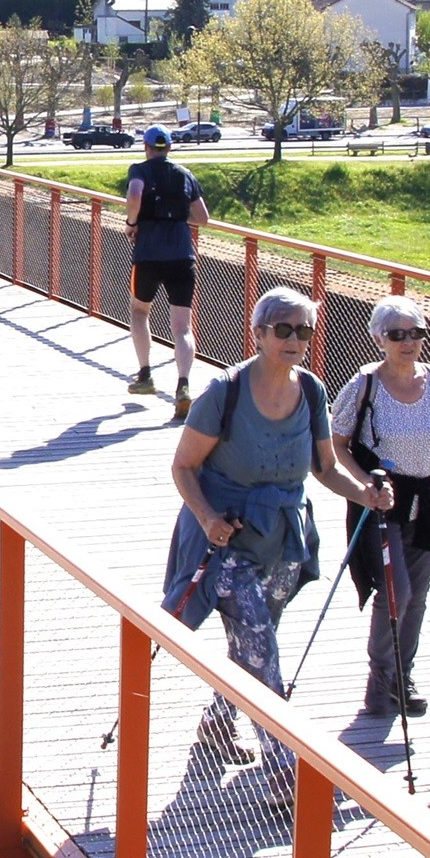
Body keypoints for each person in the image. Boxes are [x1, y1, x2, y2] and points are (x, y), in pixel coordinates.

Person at [170, 287, 394, 790]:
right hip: (226, 540)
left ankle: (217, 721)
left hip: (284, 539)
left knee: (255, 639)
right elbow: (184, 467)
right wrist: (207, 518)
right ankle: (283, 771)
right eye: (283, 329)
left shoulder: (312, 391)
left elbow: (326, 467)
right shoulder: (222, 393)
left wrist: (366, 494)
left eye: (304, 330)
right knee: (262, 648)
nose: (295, 339)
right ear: (259, 334)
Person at [332, 296, 430, 717]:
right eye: (397, 335)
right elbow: (337, 446)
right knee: (395, 592)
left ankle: (402, 675)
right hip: (383, 502)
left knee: (417, 595)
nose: (407, 342)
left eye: (416, 333)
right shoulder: (364, 384)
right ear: (378, 339)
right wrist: (366, 482)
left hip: (429, 502)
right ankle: (381, 676)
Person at [125, 125, 208, 421]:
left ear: (146, 147)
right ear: (170, 147)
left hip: (148, 254)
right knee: (182, 327)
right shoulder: (185, 174)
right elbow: (203, 218)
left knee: (139, 311)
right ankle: (183, 385)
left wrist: (132, 222)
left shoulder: (140, 169)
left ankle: (145, 374)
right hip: (182, 255)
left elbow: (135, 194)